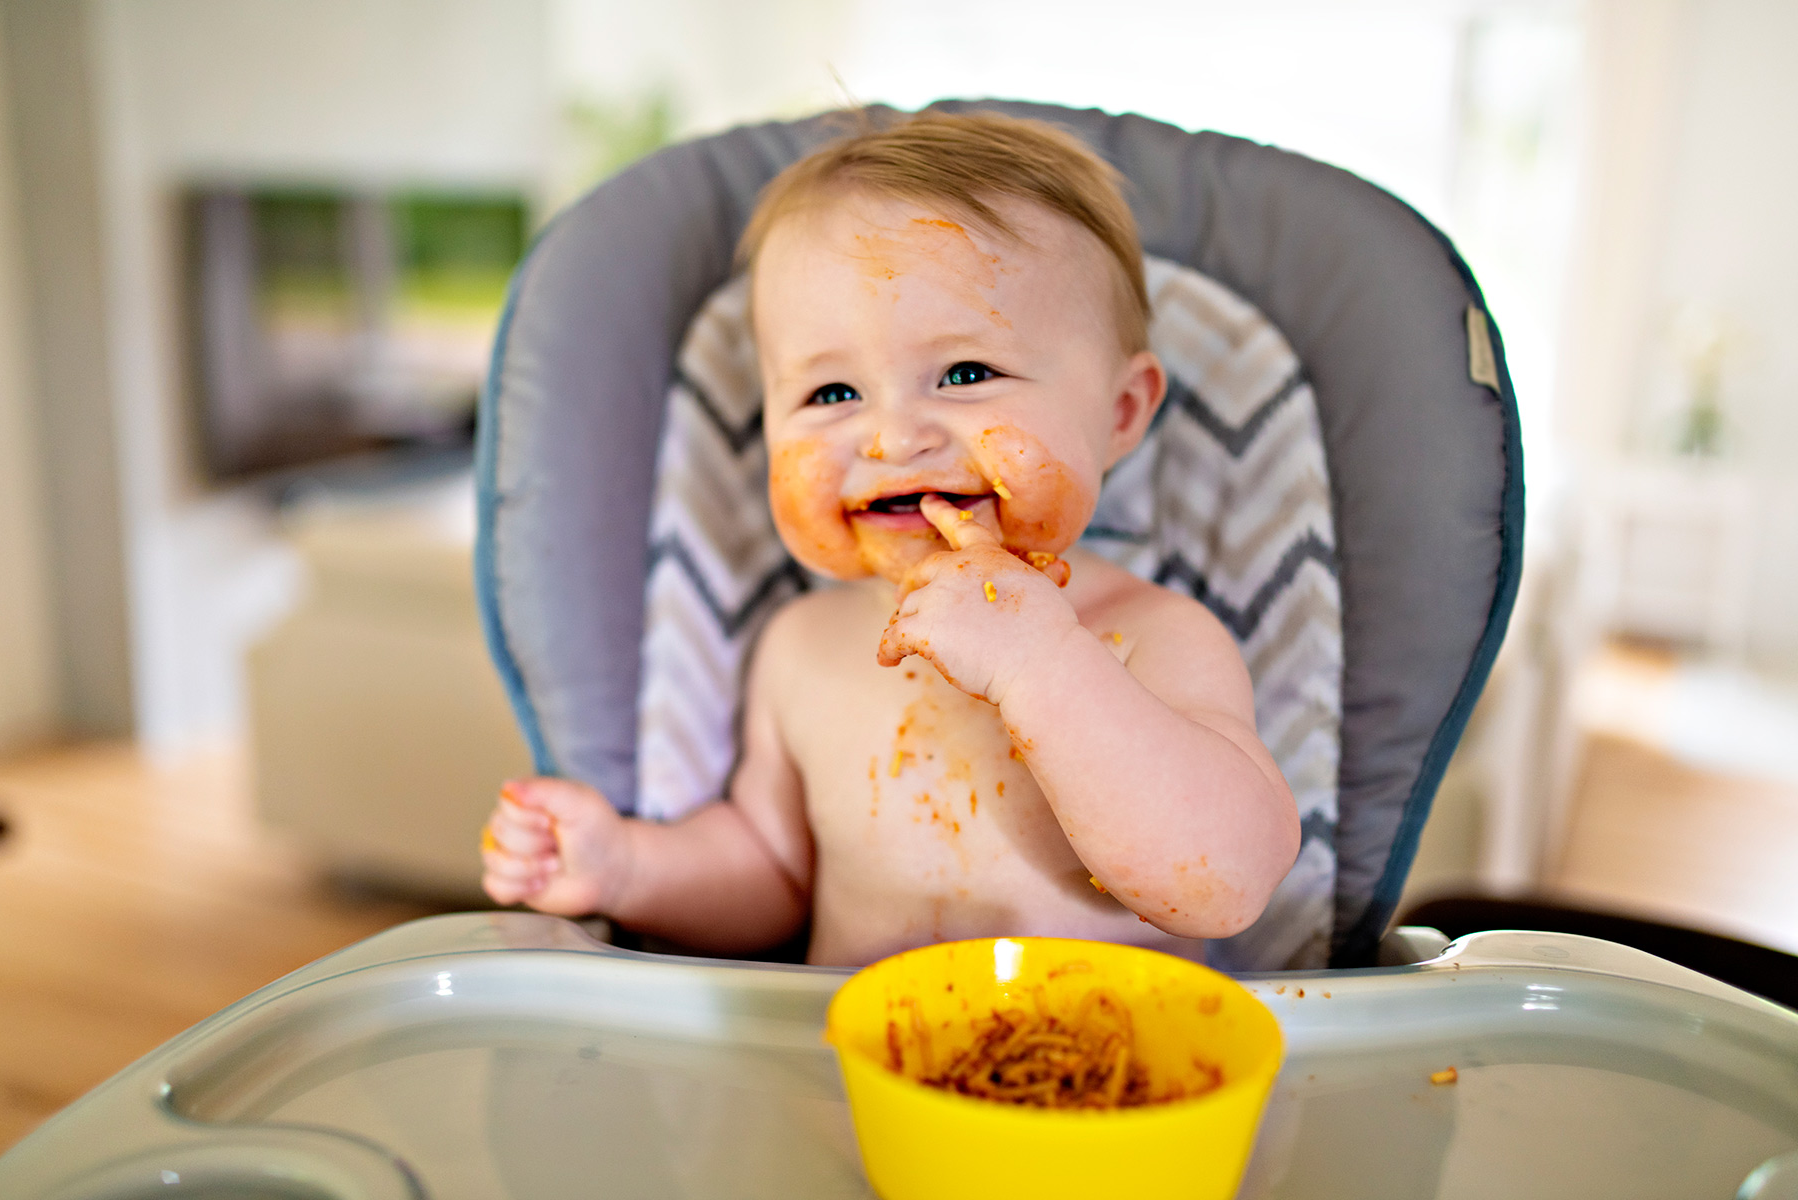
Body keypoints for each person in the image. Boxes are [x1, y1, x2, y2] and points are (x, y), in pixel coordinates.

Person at [480, 112, 1299, 967]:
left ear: (1122, 413)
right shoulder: (804, 648)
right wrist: (628, 869)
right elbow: (773, 876)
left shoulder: (1154, 636)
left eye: (967, 373)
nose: (893, 438)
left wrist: (1039, 663)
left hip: (1107, 1083)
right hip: (856, 1084)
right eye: (832, 392)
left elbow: (1223, 886)